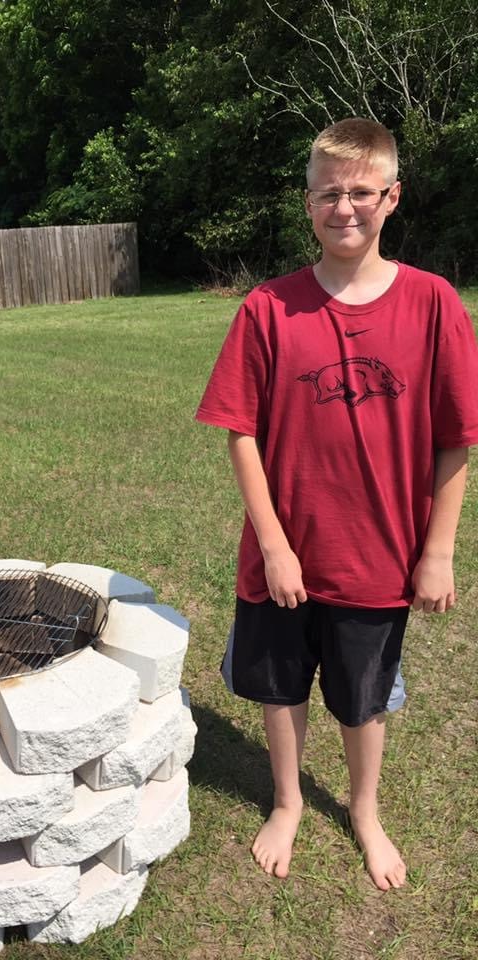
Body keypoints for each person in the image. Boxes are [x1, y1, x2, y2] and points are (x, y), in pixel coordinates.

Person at [195, 117, 478, 891]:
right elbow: (240, 433)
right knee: (279, 687)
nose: (344, 207)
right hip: (284, 554)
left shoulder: (433, 304)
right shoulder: (268, 308)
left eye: (360, 192)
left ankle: (363, 808)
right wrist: (276, 544)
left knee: (363, 697)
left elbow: (456, 438)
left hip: (379, 556)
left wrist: (439, 550)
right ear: (308, 202)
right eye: (329, 193)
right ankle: (286, 801)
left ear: (391, 197)